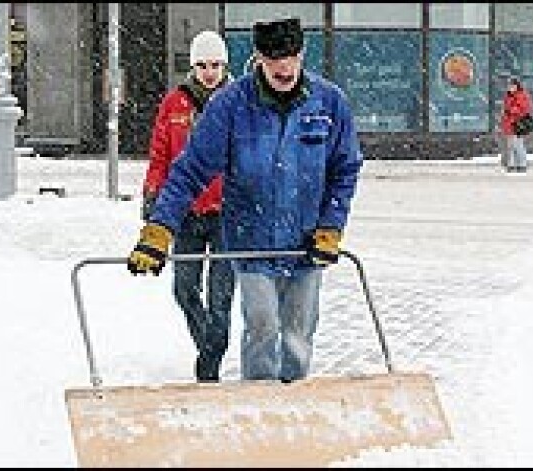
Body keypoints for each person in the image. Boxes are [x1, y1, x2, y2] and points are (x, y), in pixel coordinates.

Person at [127, 17, 364, 383]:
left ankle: (296, 405)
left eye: (289, 56)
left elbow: (344, 169)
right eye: (273, 58)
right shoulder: (232, 105)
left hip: (306, 242)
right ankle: (259, 403)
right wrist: (159, 228)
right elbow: (190, 170)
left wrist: (331, 226)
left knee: (299, 336)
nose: (283, 67)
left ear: (302, 54)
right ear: (258, 58)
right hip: (251, 238)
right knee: (263, 328)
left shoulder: (329, 103)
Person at [139, 29, 235, 383]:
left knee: (221, 297)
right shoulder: (174, 104)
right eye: (202, 65)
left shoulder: (238, 101)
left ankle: (208, 367)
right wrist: (153, 197)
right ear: (193, 66)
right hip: (187, 213)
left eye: (215, 65)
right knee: (184, 288)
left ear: (225, 66)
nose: (209, 72)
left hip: (227, 214)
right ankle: (209, 347)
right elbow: (160, 155)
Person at [500, 77, 533, 173]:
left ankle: (521, 164)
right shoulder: (508, 96)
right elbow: (505, 109)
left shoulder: (521, 95)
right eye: (509, 85)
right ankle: (511, 164)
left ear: (516, 86)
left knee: (517, 144)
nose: (510, 87)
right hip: (509, 124)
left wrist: (512, 111)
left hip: (517, 124)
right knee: (510, 145)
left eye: (512, 85)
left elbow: (525, 109)